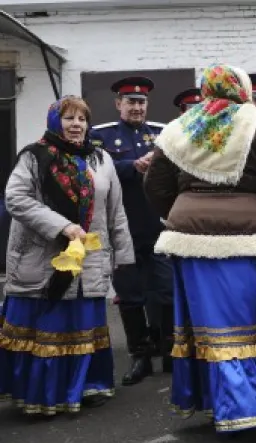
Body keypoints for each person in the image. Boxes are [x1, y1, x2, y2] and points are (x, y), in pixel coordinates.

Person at [143, 63, 256, 432]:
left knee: (213, 326)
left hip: (193, 245)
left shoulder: (179, 127)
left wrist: (184, 212)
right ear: (243, 90)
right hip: (255, 240)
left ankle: (225, 404)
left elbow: (155, 185)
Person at [0, 96, 134, 415]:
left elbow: (115, 212)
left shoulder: (101, 159)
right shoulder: (35, 156)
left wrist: (124, 256)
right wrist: (62, 227)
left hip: (89, 259)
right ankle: (46, 393)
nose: (76, 125)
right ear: (54, 122)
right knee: (51, 323)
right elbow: (16, 198)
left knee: (84, 323)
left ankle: (89, 385)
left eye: (82, 119)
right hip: (43, 259)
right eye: (69, 118)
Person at [89, 76, 173, 385]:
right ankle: (140, 356)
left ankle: (169, 351)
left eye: (141, 102)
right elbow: (95, 170)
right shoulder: (100, 135)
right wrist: (131, 166)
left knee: (167, 290)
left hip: (159, 226)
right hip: (123, 228)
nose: (136, 107)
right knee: (129, 294)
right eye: (130, 102)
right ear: (118, 104)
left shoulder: (163, 133)